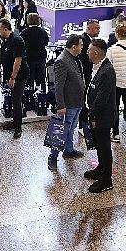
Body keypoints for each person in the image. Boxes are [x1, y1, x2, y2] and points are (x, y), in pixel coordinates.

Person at [83, 39, 117, 193]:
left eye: (89, 49)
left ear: (95, 53)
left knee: (104, 147)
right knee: (99, 145)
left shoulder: (107, 71)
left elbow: (102, 98)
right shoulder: (98, 67)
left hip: (102, 116)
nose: (87, 52)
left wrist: (93, 115)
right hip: (97, 115)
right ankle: (101, 169)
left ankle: (106, 180)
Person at [47, 34, 85, 171]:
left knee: (71, 129)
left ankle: (68, 150)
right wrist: (60, 105)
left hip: (77, 102)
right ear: (74, 46)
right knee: (60, 130)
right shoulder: (61, 61)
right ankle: (52, 156)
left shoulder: (74, 59)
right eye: (81, 44)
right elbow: (58, 85)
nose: (82, 47)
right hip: (68, 104)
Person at [0, 19, 29, 139]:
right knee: (13, 99)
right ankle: (15, 121)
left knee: (16, 101)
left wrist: (12, 77)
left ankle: (18, 128)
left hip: (19, 76)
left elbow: (18, 60)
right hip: (10, 76)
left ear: (5, 29)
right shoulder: (6, 40)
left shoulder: (16, 40)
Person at [20, 13, 49, 92]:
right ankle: (43, 93)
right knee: (41, 76)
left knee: (30, 77)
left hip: (29, 58)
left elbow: (21, 45)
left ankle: (30, 95)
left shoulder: (24, 33)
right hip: (41, 57)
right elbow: (46, 42)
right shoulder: (43, 32)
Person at [80, 19, 101, 84]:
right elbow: (83, 58)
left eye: (99, 28)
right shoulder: (83, 41)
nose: (99, 31)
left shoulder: (91, 40)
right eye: (96, 28)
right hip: (85, 74)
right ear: (89, 29)